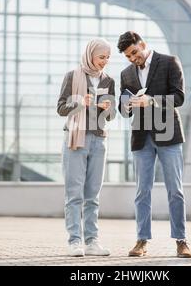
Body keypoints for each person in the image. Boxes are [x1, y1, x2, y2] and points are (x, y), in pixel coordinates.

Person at [117, 31, 191, 258]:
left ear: (142, 44)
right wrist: (127, 105)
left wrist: (151, 101)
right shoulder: (126, 73)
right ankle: (142, 241)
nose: (132, 59)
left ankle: (181, 241)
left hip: (168, 136)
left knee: (175, 191)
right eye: (128, 56)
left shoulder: (170, 62)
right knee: (142, 191)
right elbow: (123, 109)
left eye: (134, 53)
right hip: (141, 138)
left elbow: (179, 98)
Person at [57, 38, 116, 257]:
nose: (105, 61)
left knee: (93, 195)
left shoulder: (108, 80)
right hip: (75, 139)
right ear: (90, 55)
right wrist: (81, 102)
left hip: (99, 140)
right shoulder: (72, 76)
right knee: (74, 194)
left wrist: (108, 109)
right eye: (102, 57)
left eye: (108, 58)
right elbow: (61, 108)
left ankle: (92, 241)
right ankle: (75, 241)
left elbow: (111, 116)